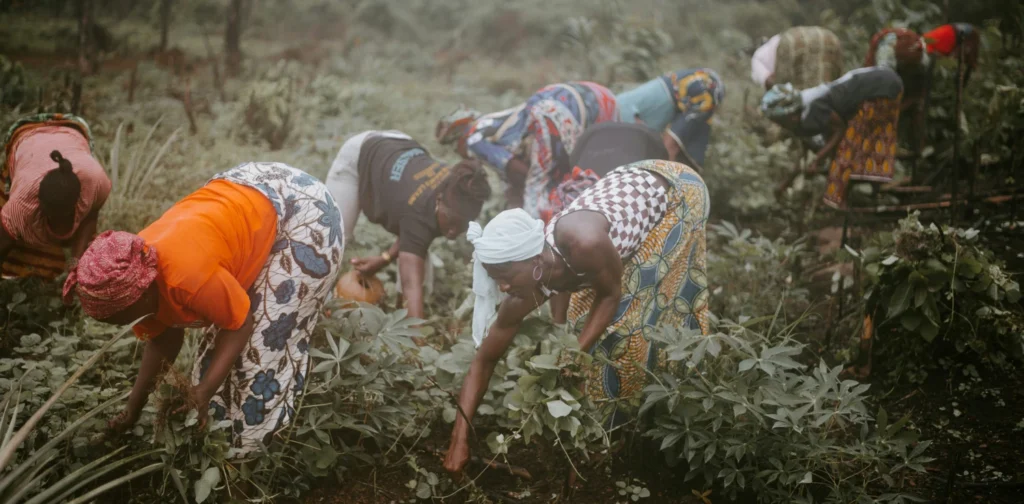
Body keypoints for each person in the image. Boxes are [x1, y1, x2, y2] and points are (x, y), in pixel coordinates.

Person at [444, 159, 710, 475]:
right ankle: (606, 430)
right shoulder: (530, 279)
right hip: (625, 201)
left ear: (532, 261)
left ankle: (651, 424)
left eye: (504, 275)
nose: (502, 287)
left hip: (675, 191)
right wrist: (458, 439)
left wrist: (574, 357)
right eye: (495, 278)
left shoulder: (584, 243)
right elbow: (483, 361)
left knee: (627, 328)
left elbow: (610, 296)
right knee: (586, 325)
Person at [63, 162, 343, 454]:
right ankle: (219, 439)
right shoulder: (135, 267)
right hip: (249, 191)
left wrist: (205, 391)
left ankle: (253, 457)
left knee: (262, 346)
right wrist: (132, 409)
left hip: (305, 212)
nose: (124, 326)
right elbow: (164, 338)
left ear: (141, 295)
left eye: (121, 319)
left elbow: (240, 324)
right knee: (215, 358)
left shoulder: (188, 278)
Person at [325, 130, 491, 318]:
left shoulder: (458, 189)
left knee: (419, 259)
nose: (453, 232)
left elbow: (413, 235)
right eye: (451, 223)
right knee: (333, 242)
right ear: (438, 201)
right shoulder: (419, 212)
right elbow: (410, 283)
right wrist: (417, 343)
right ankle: (318, 307)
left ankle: (400, 317)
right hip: (363, 151)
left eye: (462, 225)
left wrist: (384, 258)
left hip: (403, 150)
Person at [435, 81, 618, 219]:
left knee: (538, 193)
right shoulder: (490, 122)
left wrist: (525, 197)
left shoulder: (472, 139)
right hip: (595, 96)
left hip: (551, 109)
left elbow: (515, 170)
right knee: (597, 173)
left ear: (456, 140)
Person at [761, 66, 904, 208]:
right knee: (852, 149)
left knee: (848, 149)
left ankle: (841, 202)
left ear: (789, 115)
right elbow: (805, 156)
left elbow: (839, 130)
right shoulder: (803, 113)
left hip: (880, 88)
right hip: (885, 83)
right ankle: (862, 195)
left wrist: (818, 159)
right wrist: (784, 185)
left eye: (780, 121)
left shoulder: (813, 107)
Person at [0, 113, 111, 279]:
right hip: (26, 136)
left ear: (77, 203)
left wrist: (75, 264)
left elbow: (91, 215)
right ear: (39, 205)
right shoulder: (20, 205)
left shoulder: (96, 181)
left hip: (71, 131)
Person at [615, 68, 725, 172]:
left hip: (696, 87)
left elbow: (669, 147)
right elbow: (669, 148)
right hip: (686, 85)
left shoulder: (620, 114)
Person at [751, 26, 843, 91]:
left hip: (792, 44)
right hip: (824, 35)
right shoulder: (773, 41)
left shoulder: (756, 57)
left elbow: (768, 80)